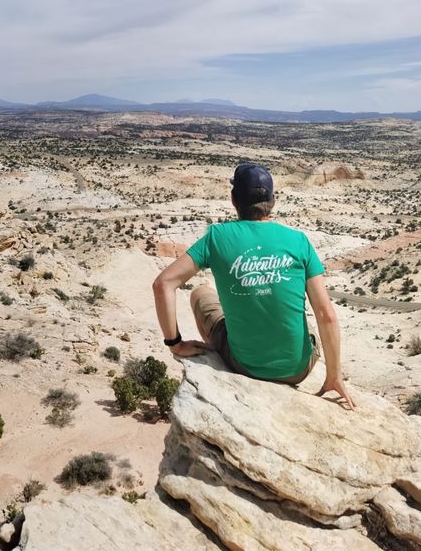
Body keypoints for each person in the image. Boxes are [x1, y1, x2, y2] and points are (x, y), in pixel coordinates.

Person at [150, 163, 355, 409]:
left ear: (233, 199)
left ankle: (222, 350)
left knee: (200, 293)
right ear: (273, 200)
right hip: (300, 368)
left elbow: (163, 284)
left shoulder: (217, 237)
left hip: (245, 364)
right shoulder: (299, 241)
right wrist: (333, 376)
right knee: (299, 315)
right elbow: (327, 315)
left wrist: (175, 344)